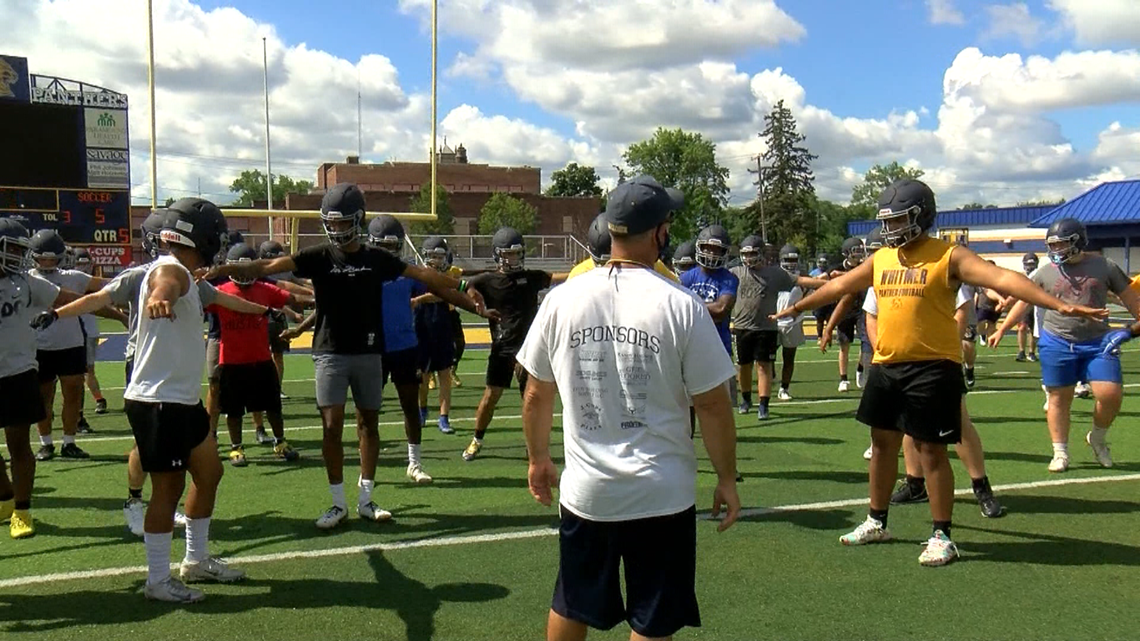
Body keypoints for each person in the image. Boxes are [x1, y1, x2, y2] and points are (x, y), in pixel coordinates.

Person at [775, 179, 1104, 566]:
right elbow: (841, 286)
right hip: (887, 365)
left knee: (932, 450)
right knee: (881, 446)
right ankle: (876, 521)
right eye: (888, 221)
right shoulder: (882, 258)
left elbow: (1004, 280)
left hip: (933, 367)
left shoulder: (949, 256)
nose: (890, 229)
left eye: (898, 221)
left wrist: (1059, 305)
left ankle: (942, 534)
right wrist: (797, 309)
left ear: (920, 217)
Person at [518, 174, 740, 641]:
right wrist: (725, 477)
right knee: (653, 616)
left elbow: (537, 393)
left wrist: (538, 459)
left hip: (588, 491)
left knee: (571, 601)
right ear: (659, 233)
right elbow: (714, 406)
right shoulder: (681, 305)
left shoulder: (562, 299)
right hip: (661, 492)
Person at [207, 183, 495, 529]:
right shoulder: (318, 255)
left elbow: (424, 275)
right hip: (329, 352)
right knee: (331, 426)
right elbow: (265, 267)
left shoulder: (377, 258)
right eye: (332, 223)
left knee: (368, 424)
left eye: (343, 223)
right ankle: (337, 502)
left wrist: (465, 286)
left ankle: (366, 497)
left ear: (358, 220)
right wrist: (220, 271)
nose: (337, 229)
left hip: (369, 352)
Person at [35, 198, 280, 601]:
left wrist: (261, 311)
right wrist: (159, 297)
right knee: (168, 489)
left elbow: (103, 298)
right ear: (200, 236)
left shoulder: (169, 270)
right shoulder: (169, 272)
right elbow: (166, 286)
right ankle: (157, 581)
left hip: (180, 399)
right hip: (158, 400)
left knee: (210, 472)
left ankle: (196, 561)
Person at [989, 218, 1138, 472]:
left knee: (1110, 394)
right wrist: (1003, 328)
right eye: (1053, 245)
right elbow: (1024, 301)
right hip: (1057, 339)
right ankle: (1060, 452)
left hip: (1098, 341)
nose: (1056, 250)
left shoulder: (1105, 266)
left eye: (1061, 244)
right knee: (1059, 398)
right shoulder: (1045, 271)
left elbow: (1132, 301)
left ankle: (1098, 438)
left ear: (1078, 242)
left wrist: (1127, 331)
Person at [862, 281, 1006, 518]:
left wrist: (946, 348)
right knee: (905, 423)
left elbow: (962, 306)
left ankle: (981, 486)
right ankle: (915, 484)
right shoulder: (884, 266)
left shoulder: (937, 263)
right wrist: (884, 352)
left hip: (935, 362)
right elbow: (872, 314)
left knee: (958, 420)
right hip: (896, 363)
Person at [0, 219, 91, 538]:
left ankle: (21, 509)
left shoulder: (26, 283)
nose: (17, 256)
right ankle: (5, 496)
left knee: (18, 444)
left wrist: (118, 305)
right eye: (11, 249)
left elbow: (69, 298)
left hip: (18, 372)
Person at [461, 226, 560, 461]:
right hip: (502, 347)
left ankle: (533, 446)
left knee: (531, 399)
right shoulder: (488, 279)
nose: (513, 259)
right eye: (508, 254)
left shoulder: (531, 277)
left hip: (529, 347)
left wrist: (586, 270)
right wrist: (475, 300)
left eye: (516, 254)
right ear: (498, 255)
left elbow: (559, 277)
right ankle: (477, 439)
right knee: (491, 396)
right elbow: (463, 284)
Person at [28, 229, 123, 461]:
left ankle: (69, 442)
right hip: (39, 346)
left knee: (72, 394)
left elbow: (109, 286)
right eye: (43, 257)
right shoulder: (27, 278)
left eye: (52, 258)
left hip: (70, 344)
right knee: (44, 398)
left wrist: (139, 282)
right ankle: (46, 443)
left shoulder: (74, 277)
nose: (47, 262)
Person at [211, 243, 308, 467]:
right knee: (233, 410)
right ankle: (236, 447)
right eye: (239, 269)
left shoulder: (264, 289)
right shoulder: (221, 291)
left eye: (248, 269)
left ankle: (280, 442)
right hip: (232, 361)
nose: (244, 274)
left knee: (273, 406)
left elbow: (290, 297)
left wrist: (317, 296)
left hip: (261, 360)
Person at [368, 215, 433, 484]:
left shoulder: (407, 271)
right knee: (368, 410)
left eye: (392, 247)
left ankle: (414, 463)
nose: (388, 252)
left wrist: (463, 288)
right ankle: (367, 470)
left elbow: (436, 288)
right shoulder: (363, 271)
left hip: (405, 346)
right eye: (383, 246)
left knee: (410, 406)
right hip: (373, 347)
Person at [730, 235, 825, 419]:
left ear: (761, 254)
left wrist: (831, 284)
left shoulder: (775, 273)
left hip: (766, 327)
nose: (748, 258)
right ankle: (746, 399)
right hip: (742, 326)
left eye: (752, 254)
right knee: (743, 366)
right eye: (745, 254)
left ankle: (764, 404)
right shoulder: (736, 272)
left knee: (764, 366)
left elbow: (802, 281)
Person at [681, 224, 739, 413]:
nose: (712, 253)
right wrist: (706, 309)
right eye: (708, 248)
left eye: (717, 250)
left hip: (718, 347)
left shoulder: (729, 279)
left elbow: (721, 308)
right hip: (689, 346)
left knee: (718, 407)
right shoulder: (686, 277)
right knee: (686, 405)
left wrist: (690, 307)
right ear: (700, 247)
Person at [414, 236, 460, 435]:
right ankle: (422, 411)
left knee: (444, 375)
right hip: (421, 328)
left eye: (440, 256)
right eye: (433, 256)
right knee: (423, 376)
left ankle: (444, 417)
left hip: (442, 327)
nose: (437, 260)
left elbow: (444, 292)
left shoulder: (449, 275)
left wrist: (419, 299)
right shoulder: (417, 276)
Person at [567, 213, 680, 282]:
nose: (612, 268)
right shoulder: (579, 273)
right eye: (604, 263)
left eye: (618, 262)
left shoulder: (656, 267)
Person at [72, 248, 108, 429]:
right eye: (80, 263)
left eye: (85, 263)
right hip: (68, 332)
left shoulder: (84, 281)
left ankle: (95, 402)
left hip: (87, 332)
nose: (83, 267)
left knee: (85, 372)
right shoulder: (70, 280)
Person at [775, 244, 807, 401]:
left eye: (793, 259)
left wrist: (798, 311)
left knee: (789, 358)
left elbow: (809, 299)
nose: (790, 263)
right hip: (773, 323)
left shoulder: (802, 278)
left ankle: (784, 388)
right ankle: (767, 385)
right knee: (767, 358)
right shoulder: (774, 275)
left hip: (792, 323)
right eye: (787, 259)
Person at [1016, 252, 1040, 362]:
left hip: (1035, 305)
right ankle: (1021, 351)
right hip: (1024, 304)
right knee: (1022, 328)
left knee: (1033, 330)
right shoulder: (1022, 276)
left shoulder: (1039, 274)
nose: (1030, 267)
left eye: (1032, 264)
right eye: (1028, 264)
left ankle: (1031, 352)